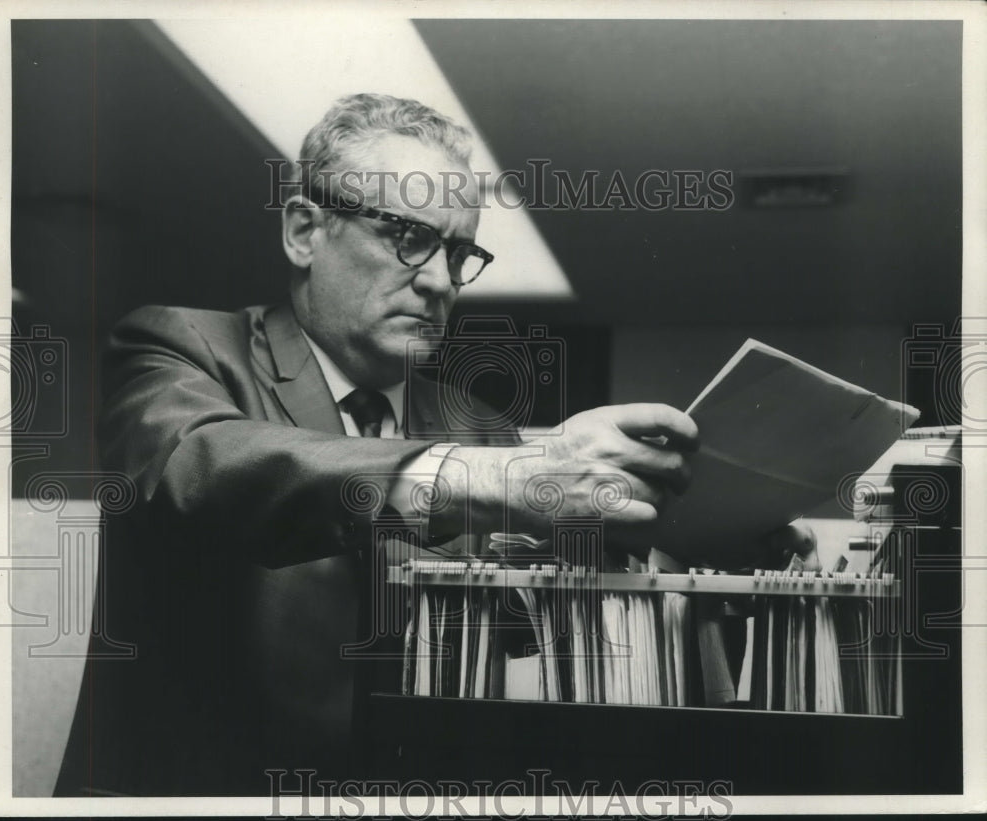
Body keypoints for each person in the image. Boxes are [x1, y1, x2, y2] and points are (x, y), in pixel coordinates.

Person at [55, 92, 810, 797]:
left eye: (459, 255)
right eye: (411, 238)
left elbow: (530, 624)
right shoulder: (179, 346)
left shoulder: (480, 428)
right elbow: (194, 469)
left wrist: (711, 567)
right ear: (304, 230)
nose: (441, 281)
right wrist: (493, 479)